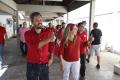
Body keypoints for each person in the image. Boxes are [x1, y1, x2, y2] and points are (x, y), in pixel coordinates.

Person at [25, 12, 54, 80]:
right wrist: (49, 39)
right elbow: (34, 47)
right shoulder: (27, 34)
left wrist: (51, 58)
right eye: (37, 20)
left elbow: (51, 46)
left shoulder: (48, 32)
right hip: (32, 64)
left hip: (45, 63)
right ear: (32, 22)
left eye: (40, 20)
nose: (40, 22)